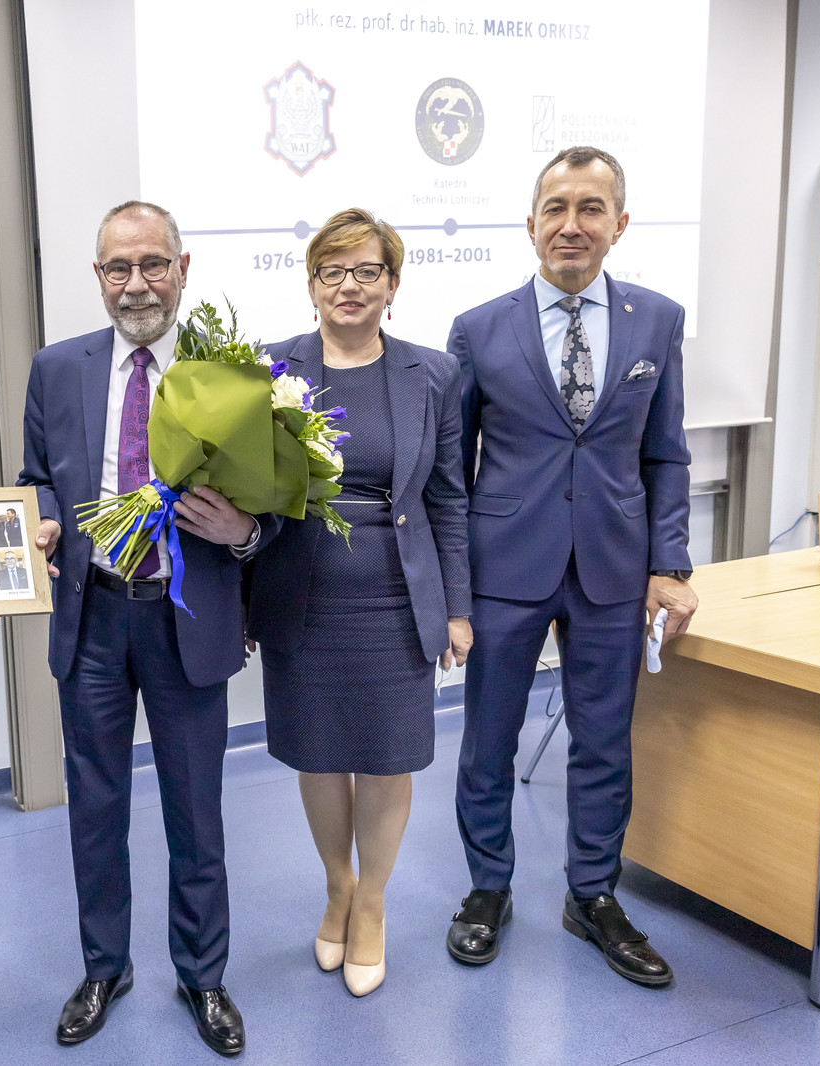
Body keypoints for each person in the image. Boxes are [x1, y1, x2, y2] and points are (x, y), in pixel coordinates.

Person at [19, 200, 279, 1056]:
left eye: (153, 264)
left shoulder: (232, 376)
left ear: (182, 268)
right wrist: (43, 516)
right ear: (98, 276)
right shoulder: (57, 368)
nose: (136, 285)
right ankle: (105, 967)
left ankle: (203, 974)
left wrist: (243, 531)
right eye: (118, 268)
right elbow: (35, 475)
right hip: (91, 617)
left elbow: (275, 504)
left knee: (195, 812)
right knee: (95, 809)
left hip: (185, 617)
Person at [445, 147, 698, 987]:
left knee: (603, 744)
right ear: (530, 224)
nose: (571, 224)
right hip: (505, 568)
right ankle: (488, 889)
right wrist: (454, 586)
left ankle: (593, 896)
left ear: (619, 224)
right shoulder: (478, 329)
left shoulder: (658, 321)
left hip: (614, 570)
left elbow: (666, 454)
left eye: (591, 208)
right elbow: (451, 471)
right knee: (488, 740)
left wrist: (670, 563)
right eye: (556, 207)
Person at [246, 208, 471, 997]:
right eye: (333, 271)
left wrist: (457, 608)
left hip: (396, 596)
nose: (350, 285)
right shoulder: (269, 369)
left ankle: (370, 901)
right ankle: (336, 885)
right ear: (312, 285)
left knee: (386, 756)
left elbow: (448, 498)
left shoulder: (433, 374)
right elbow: (244, 493)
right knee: (318, 751)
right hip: (299, 593)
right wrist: (240, 603)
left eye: (367, 271)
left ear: (392, 284)